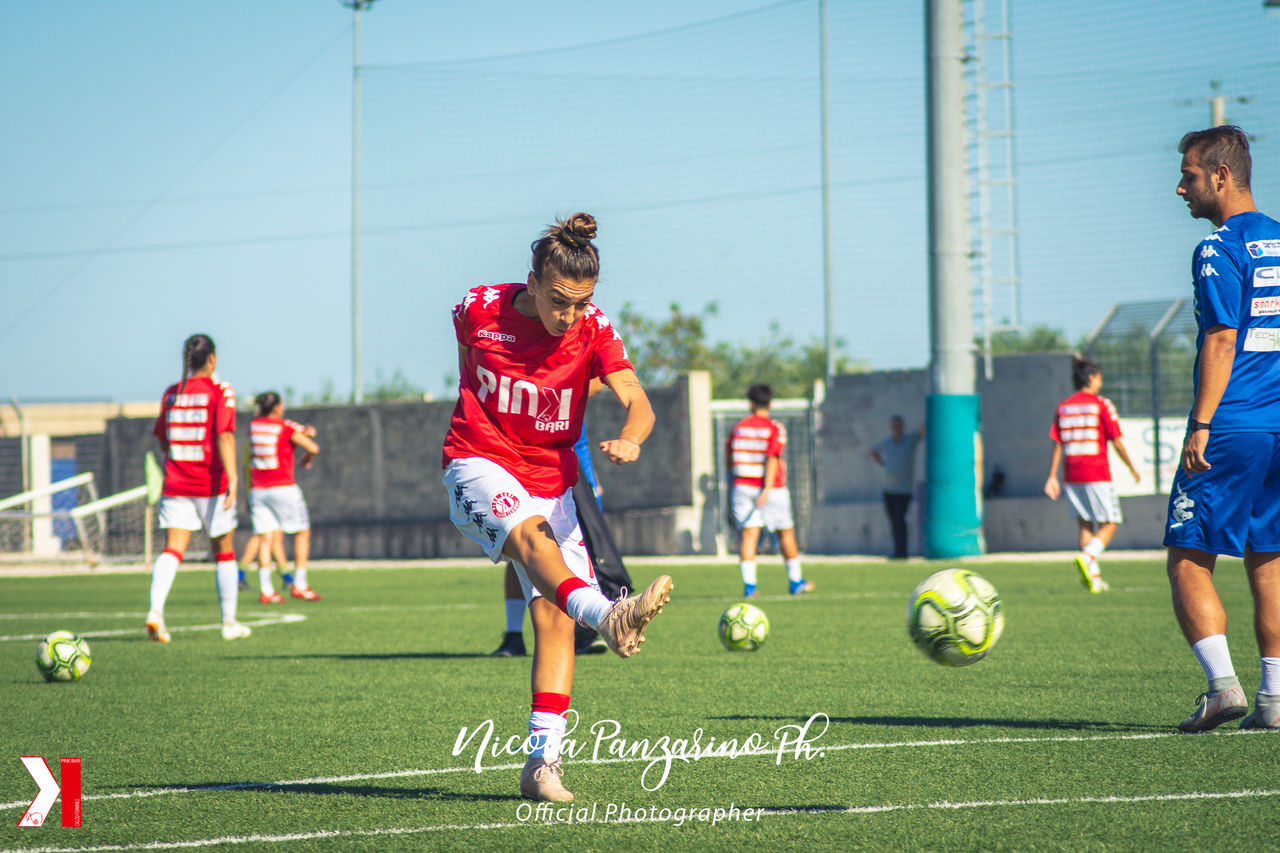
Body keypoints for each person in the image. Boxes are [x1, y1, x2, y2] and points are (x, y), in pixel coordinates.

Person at [441, 212, 674, 801]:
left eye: (581, 301)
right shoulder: (478, 308)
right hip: (479, 460)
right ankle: (610, 614)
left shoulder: (592, 328)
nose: (567, 314)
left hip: (552, 476)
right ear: (532, 282)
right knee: (532, 543)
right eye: (557, 301)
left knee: (554, 618)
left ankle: (541, 765)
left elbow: (637, 400)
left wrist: (631, 437)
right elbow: (470, 363)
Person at [1164, 125, 1280, 733]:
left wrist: (1201, 424)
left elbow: (1221, 336)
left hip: (1233, 423)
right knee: (1270, 557)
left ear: (1221, 176)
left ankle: (1221, 686)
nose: (1180, 187)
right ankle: (1275, 700)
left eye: (1188, 175)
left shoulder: (1219, 246)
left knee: (1189, 555)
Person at [145, 334, 250, 642]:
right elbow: (224, 435)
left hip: (176, 481)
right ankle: (229, 623)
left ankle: (155, 611)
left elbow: (163, 440)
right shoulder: (221, 390)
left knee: (173, 549)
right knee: (224, 552)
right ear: (213, 359)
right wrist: (233, 478)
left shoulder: (171, 393)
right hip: (210, 483)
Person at [492, 426, 628, 657]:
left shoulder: (571, 398)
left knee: (575, 550)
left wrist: (592, 481)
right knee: (524, 549)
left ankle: (585, 630)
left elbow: (580, 441)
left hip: (568, 476)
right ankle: (515, 634)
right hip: (521, 470)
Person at [1043, 356, 1140, 593]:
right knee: (1110, 523)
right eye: (1098, 377)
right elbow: (1116, 442)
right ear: (1091, 378)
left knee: (1085, 526)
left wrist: (1051, 476)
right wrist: (1131, 467)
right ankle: (1087, 557)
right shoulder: (1101, 404)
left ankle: (1094, 580)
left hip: (1072, 473)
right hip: (1096, 471)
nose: (1100, 382)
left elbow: (1057, 443)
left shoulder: (1063, 407)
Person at [726, 384, 812, 597]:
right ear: (770, 403)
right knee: (785, 533)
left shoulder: (738, 428)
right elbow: (773, 457)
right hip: (771, 489)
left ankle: (750, 586)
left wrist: (734, 482)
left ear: (751, 404)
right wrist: (766, 489)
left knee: (748, 535)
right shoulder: (774, 427)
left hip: (742, 486)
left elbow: (728, 459)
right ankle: (795, 581)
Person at [247, 391, 321, 603]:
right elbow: (312, 446)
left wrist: (303, 430)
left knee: (265, 538)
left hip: (258, 490)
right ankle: (300, 584)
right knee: (302, 532)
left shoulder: (254, 426)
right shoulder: (284, 427)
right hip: (283, 487)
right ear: (277, 407)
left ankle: (267, 590)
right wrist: (308, 456)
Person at [870, 415, 923, 559]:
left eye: (899, 425)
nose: (897, 429)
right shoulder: (887, 443)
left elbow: (921, 432)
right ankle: (896, 550)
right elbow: (873, 451)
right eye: (894, 426)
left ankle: (902, 551)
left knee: (900, 519)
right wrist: (883, 464)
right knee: (893, 521)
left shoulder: (909, 440)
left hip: (904, 490)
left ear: (903, 427)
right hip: (889, 490)